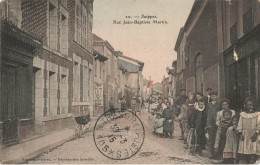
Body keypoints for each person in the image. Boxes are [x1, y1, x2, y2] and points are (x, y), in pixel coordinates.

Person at [237, 98, 260, 164]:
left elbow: (259, 125)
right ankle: (246, 158)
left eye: (251, 105)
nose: (250, 106)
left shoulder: (257, 114)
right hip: (245, 133)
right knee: (245, 147)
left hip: (254, 133)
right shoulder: (243, 114)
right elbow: (240, 124)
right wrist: (240, 133)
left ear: (254, 105)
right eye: (248, 105)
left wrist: (256, 134)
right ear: (245, 105)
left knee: (253, 146)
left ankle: (253, 158)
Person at [206, 91, 221, 159]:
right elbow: (207, 114)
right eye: (212, 96)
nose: (213, 97)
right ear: (210, 97)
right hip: (210, 124)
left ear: (216, 96)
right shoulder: (208, 104)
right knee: (211, 139)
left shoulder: (219, 104)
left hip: (217, 123)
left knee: (217, 138)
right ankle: (212, 153)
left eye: (214, 96)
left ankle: (217, 154)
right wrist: (207, 124)